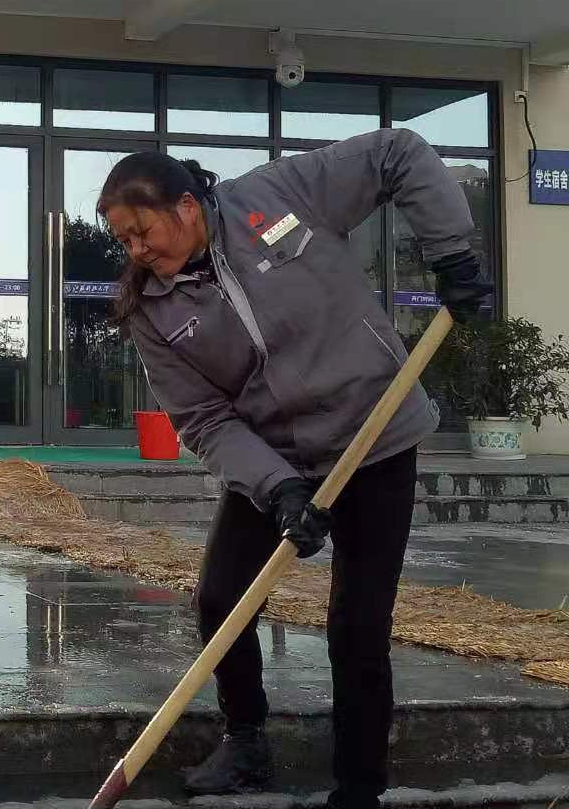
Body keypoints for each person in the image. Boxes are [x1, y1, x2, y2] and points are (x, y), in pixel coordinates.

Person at [96, 129, 491, 809]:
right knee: (221, 597)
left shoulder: (276, 198)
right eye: (123, 240)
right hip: (277, 455)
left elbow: (397, 154)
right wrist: (276, 486)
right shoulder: (153, 311)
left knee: (357, 626)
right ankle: (246, 742)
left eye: (142, 231)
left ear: (186, 207)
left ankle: (358, 788)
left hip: (375, 438)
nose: (136, 250)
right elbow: (204, 419)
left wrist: (450, 250)